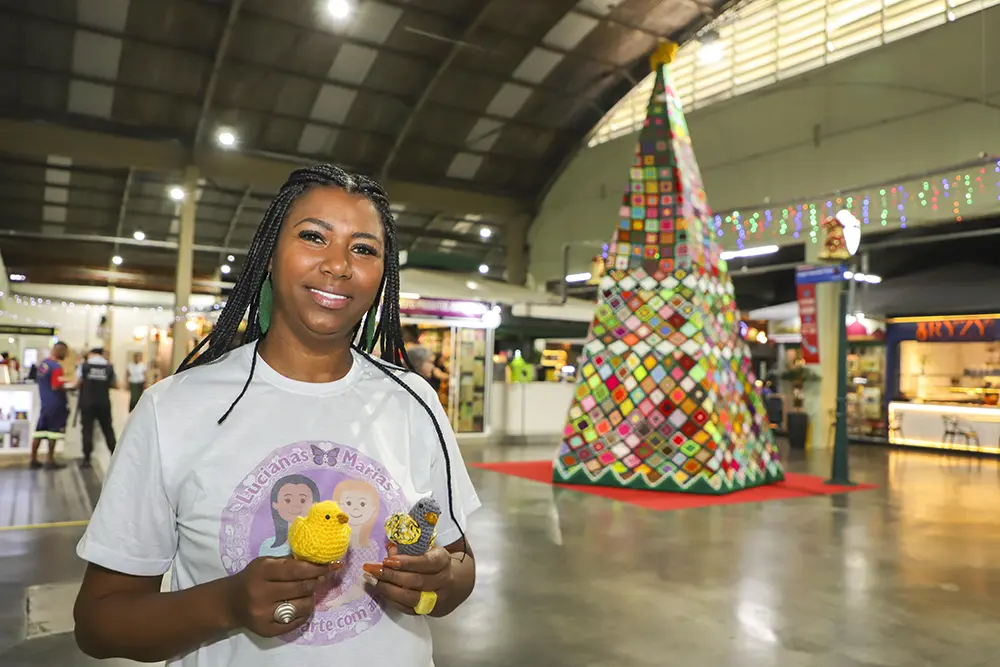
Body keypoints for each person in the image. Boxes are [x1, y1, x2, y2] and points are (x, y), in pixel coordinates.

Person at [73, 164, 480, 666]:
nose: (338, 265)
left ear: (383, 274)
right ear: (269, 253)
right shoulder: (173, 408)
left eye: (363, 248)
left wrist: (438, 580)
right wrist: (227, 604)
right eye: (313, 236)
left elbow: (460, 567)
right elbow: (99, 624)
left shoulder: (413, 400)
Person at [30, 341, 71, 470]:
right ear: (60, 351)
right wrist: (69, 387)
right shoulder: (56, 367)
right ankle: (50, 460)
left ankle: (33, 459)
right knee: (53, 433)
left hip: (45, 403)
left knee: (39, 432)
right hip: (56, 403)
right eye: (65, 352)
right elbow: (56, 385)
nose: (66, 355)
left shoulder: (43, 364)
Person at [76, 347, 118, 468]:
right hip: (103, 402)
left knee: (87, 429)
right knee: (108, 429)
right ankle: (115, 456)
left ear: (91, 354)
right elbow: (116, 385)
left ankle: (87, 458)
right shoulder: (109, 367)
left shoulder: (84, 366)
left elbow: (77, 383)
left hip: (87, 402)